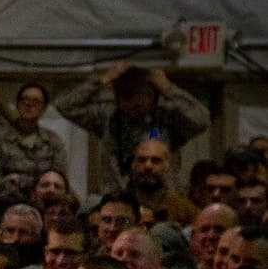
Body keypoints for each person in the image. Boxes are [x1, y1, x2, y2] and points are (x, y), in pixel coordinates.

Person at [54, 61, 210, 194]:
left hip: (161, 197)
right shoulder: (109, 117)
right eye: (125, 97)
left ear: (151, 95)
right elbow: (65, 105)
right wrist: (103, 79)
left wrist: (168, 88)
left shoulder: (167, 118)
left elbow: (201, 120)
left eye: (138, 97)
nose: (131, 105)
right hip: (117, 196)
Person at [0, 82, 68, 206]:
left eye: (36, 101)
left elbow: (57, 181)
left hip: (43, 207)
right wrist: (36, 183)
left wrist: (18, 180)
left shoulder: (52, 140)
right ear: (17, 104)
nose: (29, 104)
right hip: (5, 206)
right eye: (24, 100)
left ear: (44, 108)